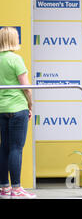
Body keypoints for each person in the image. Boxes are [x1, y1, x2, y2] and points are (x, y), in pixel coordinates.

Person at [0, 27, 35, 199]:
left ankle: (4, 188)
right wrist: (30, 105)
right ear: (13, 39)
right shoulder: (16, 59)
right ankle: (16, 189)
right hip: (17, 107)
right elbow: (26, 88)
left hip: (1, 109)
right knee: (15, 148)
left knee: (4, 147)